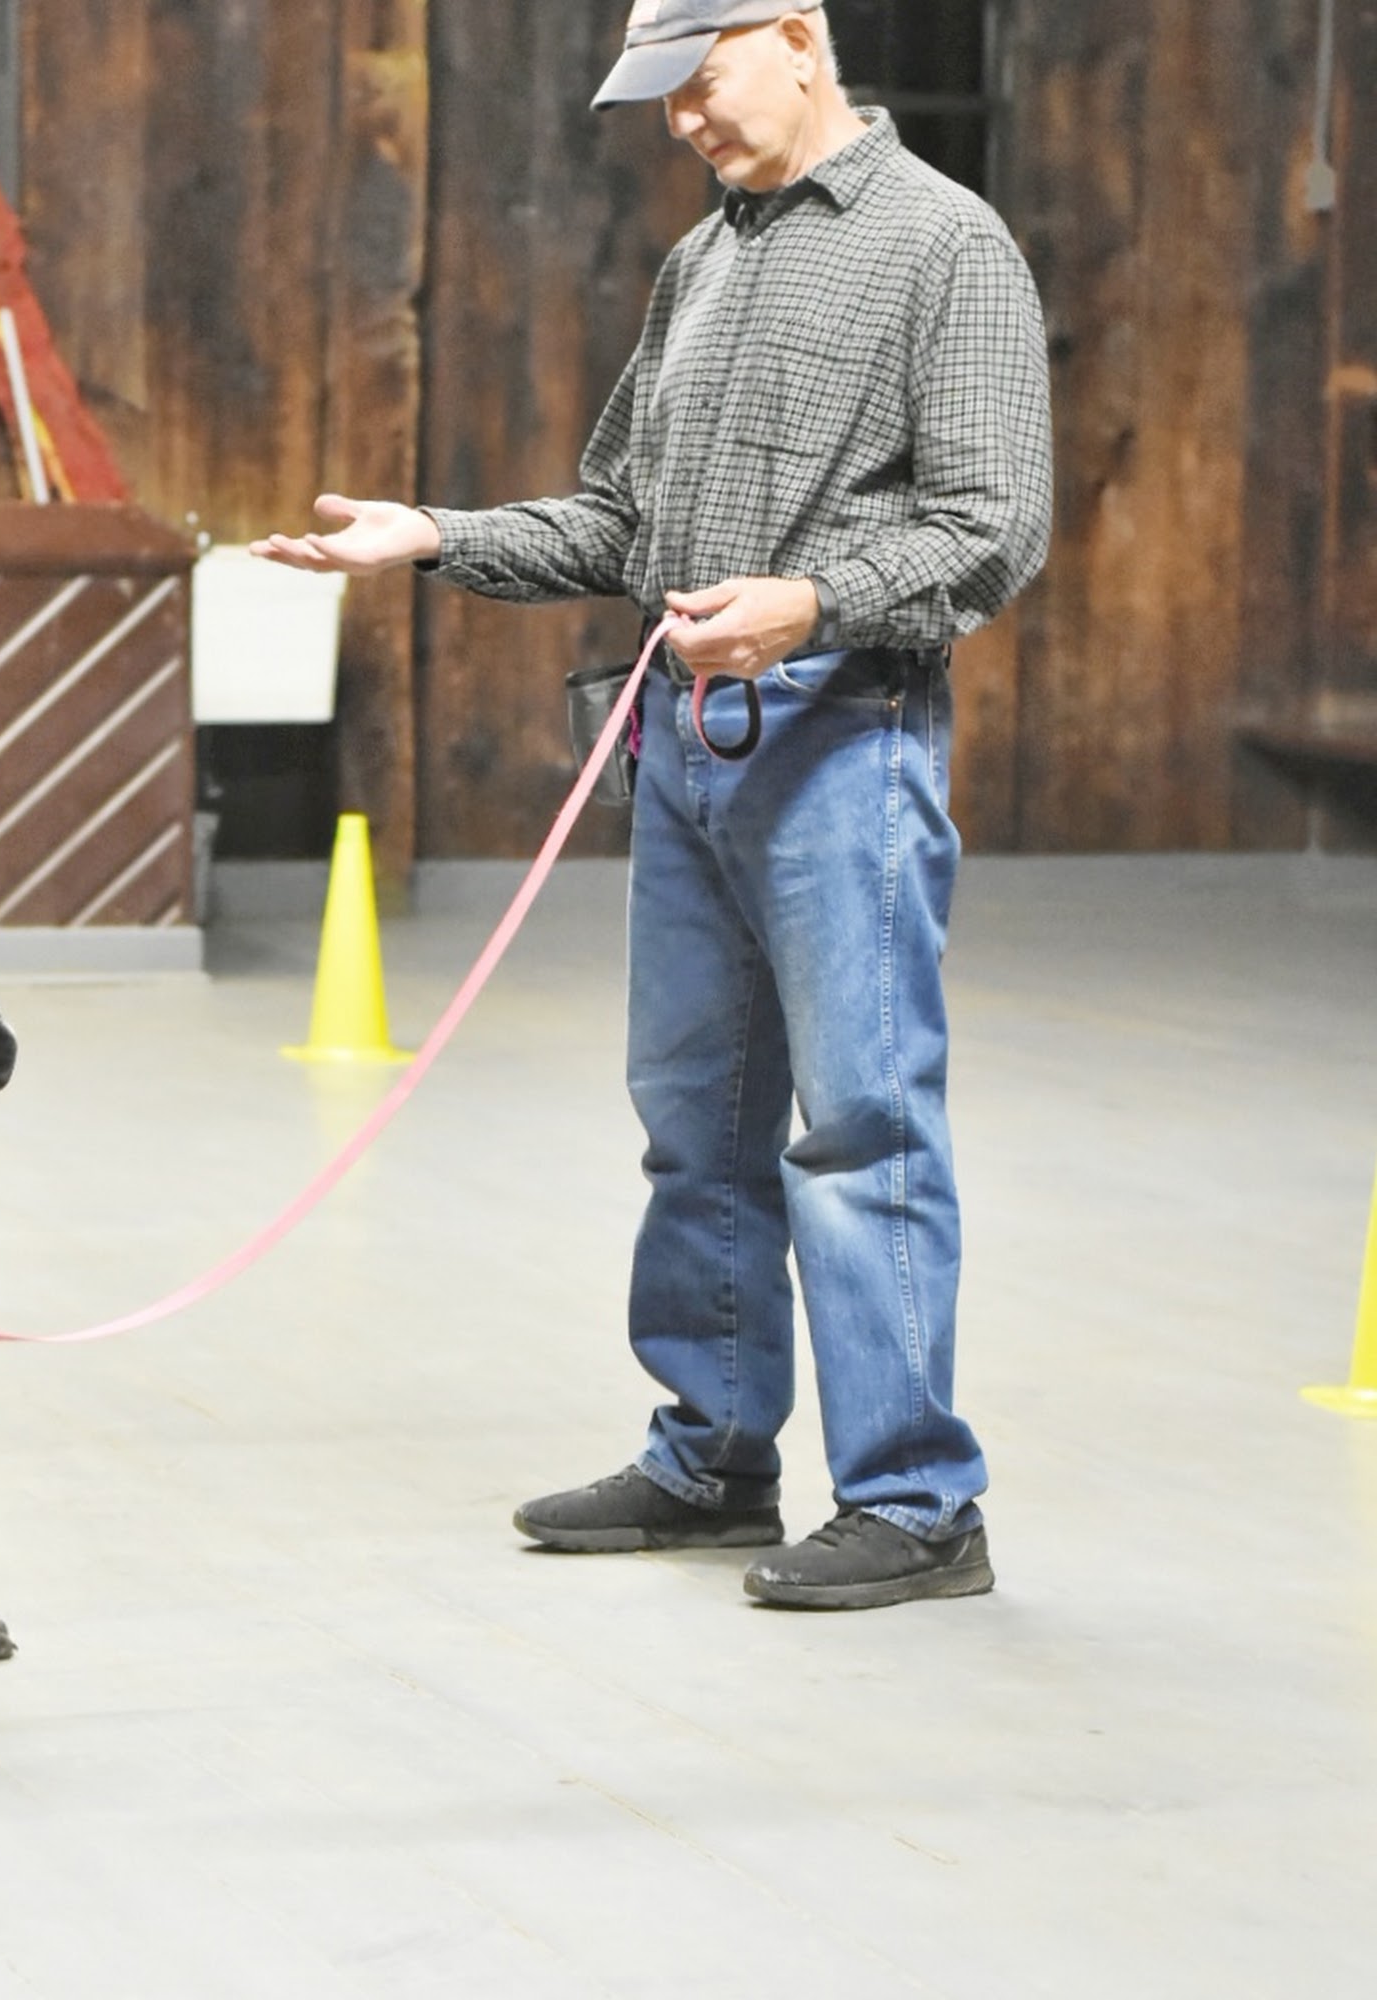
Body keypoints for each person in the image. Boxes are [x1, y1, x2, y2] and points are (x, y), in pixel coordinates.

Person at [251, 0, 1052, 1609]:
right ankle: (713, 1459)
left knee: (863, 1127)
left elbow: (994, 525)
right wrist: (430, 535)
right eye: (661, 96)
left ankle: (914, 1503)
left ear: (803, 36)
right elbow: (626, 519)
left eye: (703, 77)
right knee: (695, 1126)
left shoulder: (947, 248)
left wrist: (808, 603)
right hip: (688, 749)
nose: (683, 116)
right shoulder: (709, 260)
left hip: (843, 743)